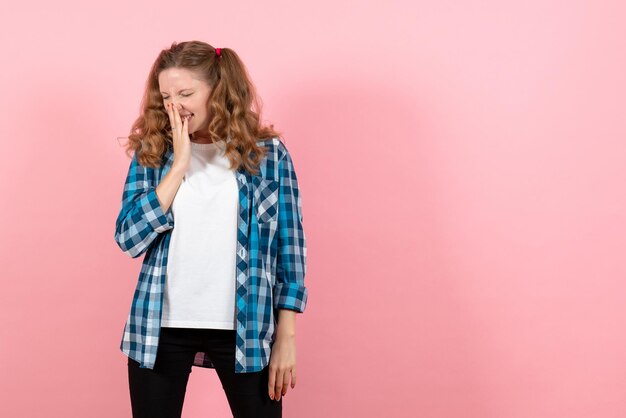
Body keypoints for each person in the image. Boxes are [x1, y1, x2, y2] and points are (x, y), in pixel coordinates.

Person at [113, 40, 308, 418]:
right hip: (158, 329)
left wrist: (286, 339)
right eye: (166, 95)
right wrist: (179, 165)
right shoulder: (153, 152)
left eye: (186, 93)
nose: (175, 105)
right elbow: (128, 238)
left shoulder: (267, 155)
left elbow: (290, 248)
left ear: (218, 90)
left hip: (246, 327)